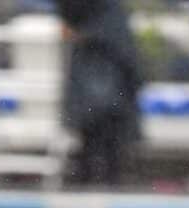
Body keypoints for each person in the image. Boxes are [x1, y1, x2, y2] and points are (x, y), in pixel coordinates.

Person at [55, 0, 142, 187]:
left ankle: (106, 175)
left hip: (106, 57)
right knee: (92, 128)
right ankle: (93, 173)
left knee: (104, 120)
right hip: (98, 52)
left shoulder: (107, 25)